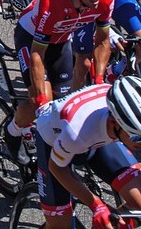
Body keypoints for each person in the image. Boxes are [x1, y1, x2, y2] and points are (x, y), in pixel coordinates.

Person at [6, 0, 113, 163]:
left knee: (63, 102)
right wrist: (41, 103)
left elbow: (102, 40)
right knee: (43, 103)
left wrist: (99, 82)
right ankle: (13, 131)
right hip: (31, 39)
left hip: (61, 40)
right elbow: (37, 53)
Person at [34, 76, 141, 229]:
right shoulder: (77, 132)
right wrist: (96, 205)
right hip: (54, 140)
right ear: (114, 122)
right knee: (60, 225)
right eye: (137, 137)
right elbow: (57, 168)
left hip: (99, 138)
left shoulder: (125, 121)